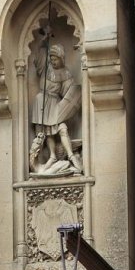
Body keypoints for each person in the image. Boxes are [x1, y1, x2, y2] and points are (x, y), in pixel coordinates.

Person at [30, 41, 82, 174]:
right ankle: (53, 156)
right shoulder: (45, 68)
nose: (53, 62)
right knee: (47, 132)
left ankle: (70, 156)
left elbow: (69, 94)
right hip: (41, 102)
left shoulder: (65, 73)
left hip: (54, 103)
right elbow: (39, 59)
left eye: (56, 59)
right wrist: (44, 40)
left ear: (61, 59)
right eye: (51, 59)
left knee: (62, 128)